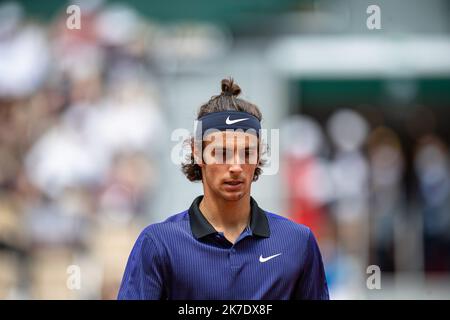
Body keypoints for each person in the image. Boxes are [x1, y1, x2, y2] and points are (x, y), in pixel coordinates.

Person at [117, 78, 329, 300]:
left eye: (247, 153)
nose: (236, 166)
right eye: (222, 153)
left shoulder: (297, 241)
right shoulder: (159, 243)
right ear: (197, 153)